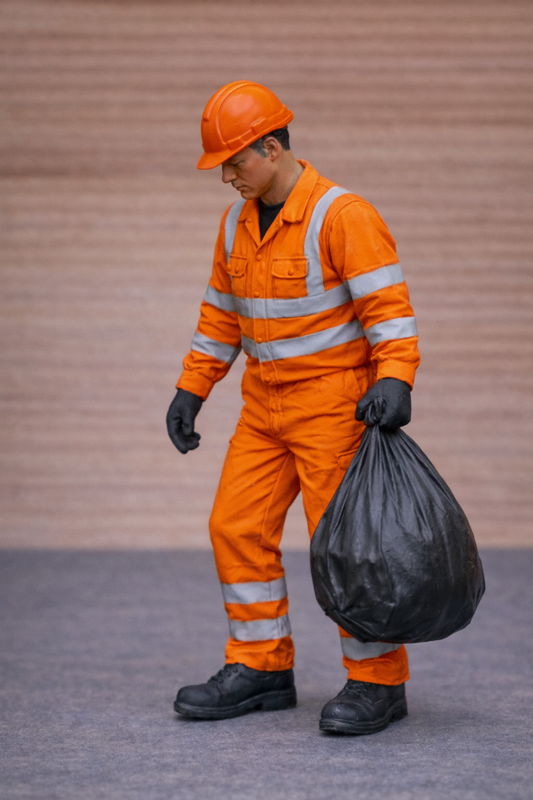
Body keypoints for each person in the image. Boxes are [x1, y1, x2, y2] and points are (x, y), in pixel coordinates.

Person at [167, 81, 420, 735]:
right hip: (264, 408)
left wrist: (394, 377)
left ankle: (377, 682)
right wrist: (193, 387)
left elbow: (386, 311)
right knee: (235, 528)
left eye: (234, 162)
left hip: (333, 408)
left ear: (272, 148)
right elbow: (220, 318)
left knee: (350, 549)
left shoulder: (342, 216)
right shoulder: (234, 223)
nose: (225, 176)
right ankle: (260, 667)